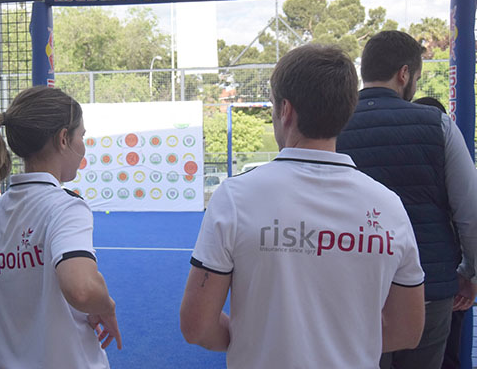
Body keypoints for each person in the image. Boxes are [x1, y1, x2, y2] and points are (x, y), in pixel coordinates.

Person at [180, 44, 425, 368]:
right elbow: (407, 330)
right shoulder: (389, 206)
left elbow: (197, 326)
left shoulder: (236, 197)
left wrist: (253, 340)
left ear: (285, 110)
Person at [336, 30, 477, 369]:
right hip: (429, 285)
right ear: (404, 73)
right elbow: (469, 210)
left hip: (353, 287)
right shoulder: (438, 125)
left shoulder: (332, 125)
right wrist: (470, 272)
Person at [0, 86, 121, 368]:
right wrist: (105, 306)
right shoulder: (65, 207)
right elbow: (82, 289)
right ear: (63, 139)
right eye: (81, 136)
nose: (83, 147)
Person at [413, 96, 470, 369]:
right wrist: (468, 273)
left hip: (411, 278)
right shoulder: (451, 166)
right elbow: (467, 218)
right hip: (445, 277)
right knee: (446, 353)